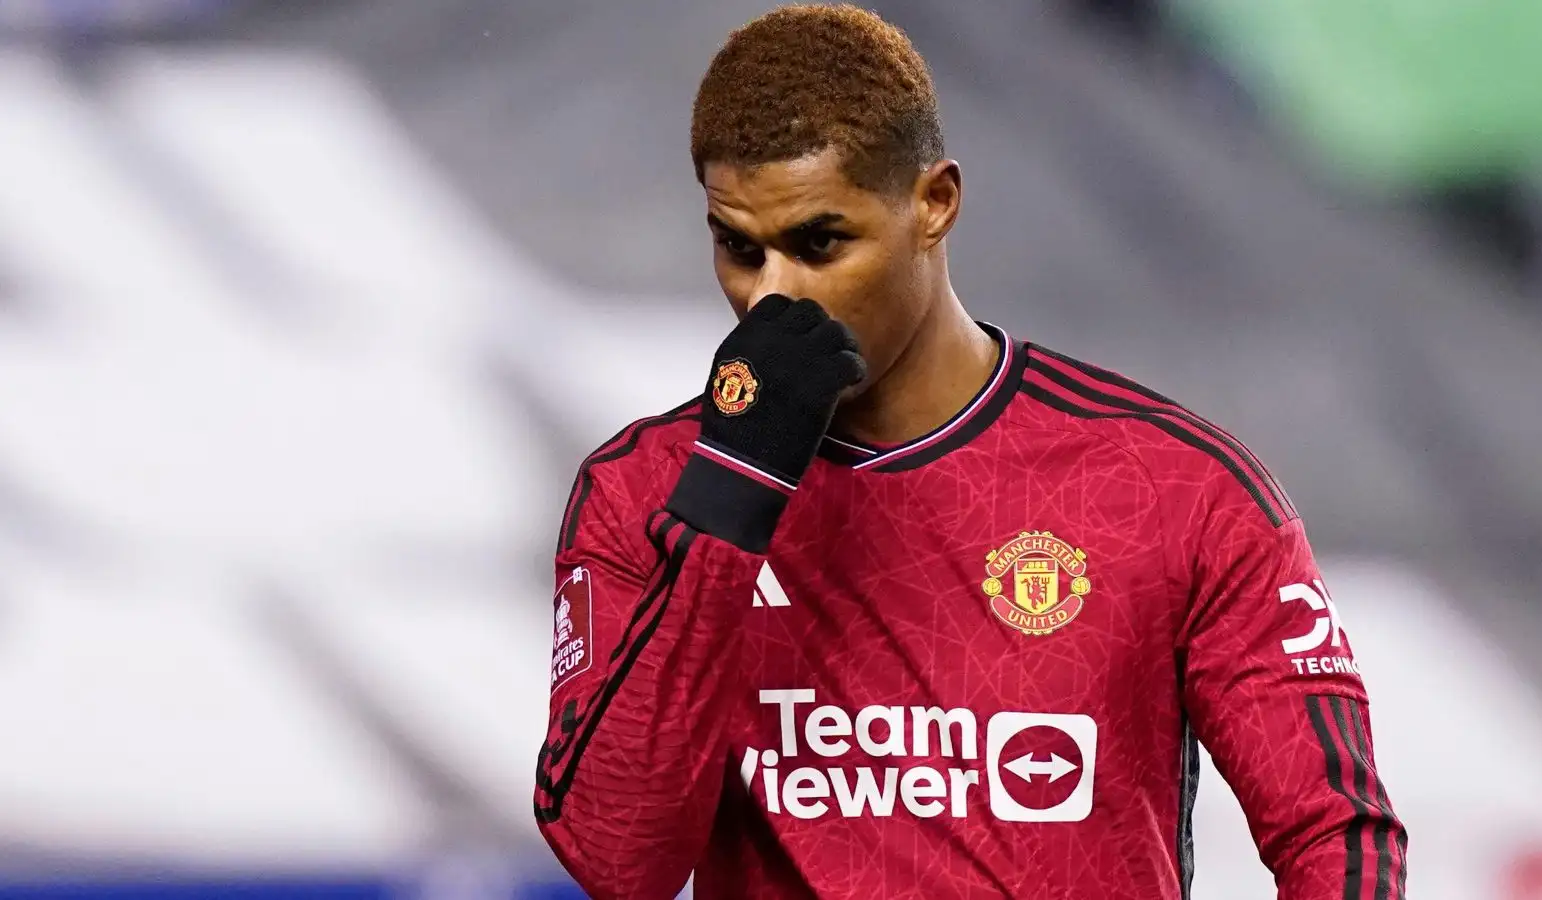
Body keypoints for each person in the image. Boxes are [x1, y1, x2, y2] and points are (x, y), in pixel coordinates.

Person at [534, 5, 1407, 899]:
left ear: (935, 203)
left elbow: (1336, 833)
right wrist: (733, 489)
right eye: (739, 248)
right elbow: (619, 860)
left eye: (819, 243)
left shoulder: (1174, 487)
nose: (772, 298)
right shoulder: (646, 487)